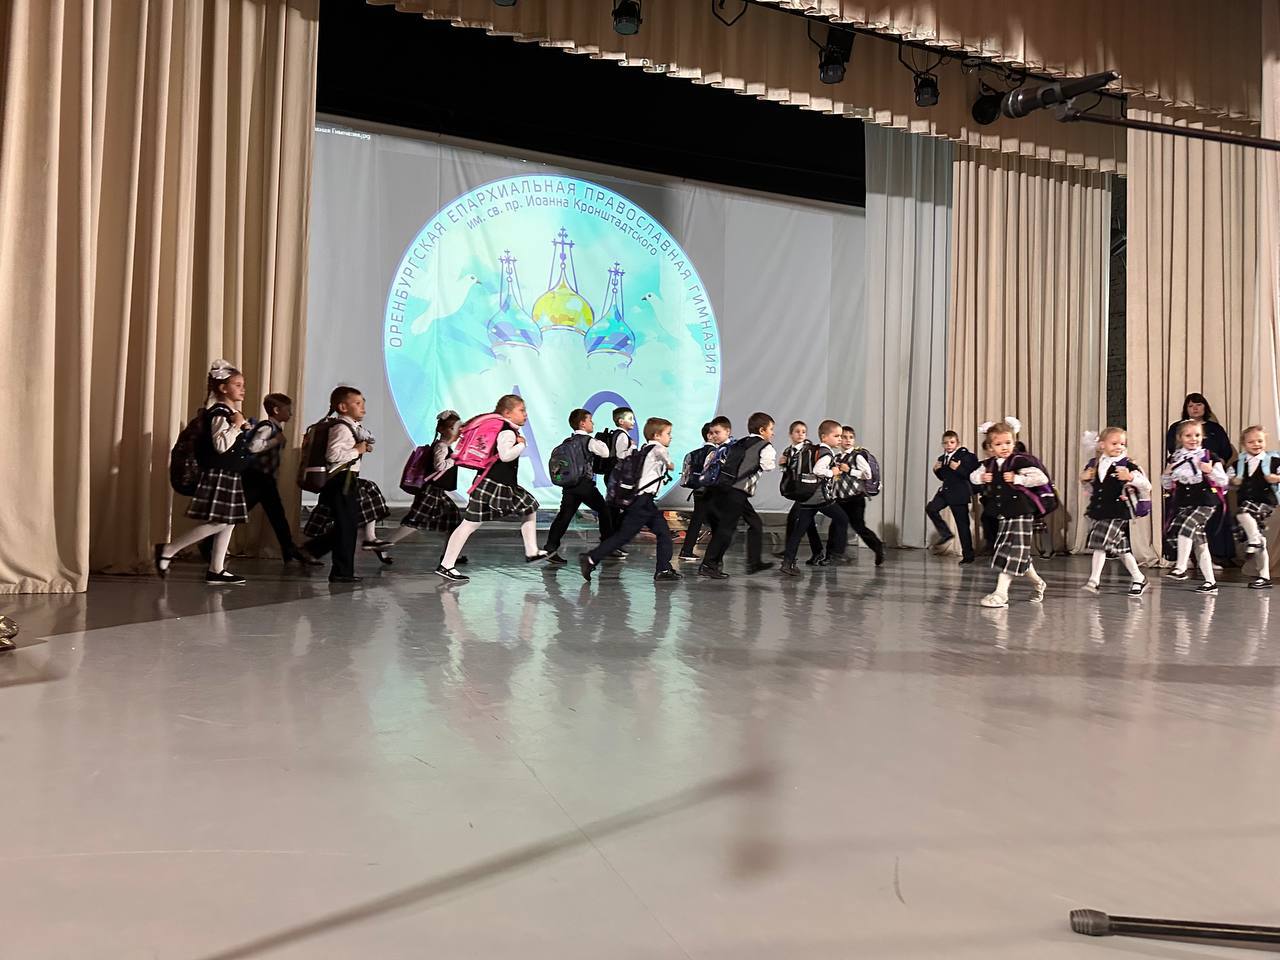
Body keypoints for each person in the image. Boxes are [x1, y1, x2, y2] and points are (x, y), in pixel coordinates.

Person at [155, 359, 254, 585]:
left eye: (243, 385)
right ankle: (168, 549)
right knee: (220, 522)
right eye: (238, 385)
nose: (243, 389)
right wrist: (236, 425)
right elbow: (220, 445)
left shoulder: (231, 412)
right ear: (223, 388)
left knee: (228, 521)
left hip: (229, 474)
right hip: (219, 474)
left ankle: (216, 569)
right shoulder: (220, 413)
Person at [436, 394, 547, 583]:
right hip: (492, 485)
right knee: (469, 524)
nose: (525, 414)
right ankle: (446, 565)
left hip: (501, 485)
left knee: (529, 507)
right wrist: (521, 445)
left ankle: (532, 551)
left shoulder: (506, 429)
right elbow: (505, 456)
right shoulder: (507, 432)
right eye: (521, 410)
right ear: (507, 413)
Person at [579, 417, 680, 583]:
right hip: (643, 502)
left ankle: (664, 568)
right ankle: (591, 558)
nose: (670, 437)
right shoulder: (657, 448)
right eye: (668, 433)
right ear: (656, 435)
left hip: (643, 501)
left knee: (662, 532)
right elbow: (669, 463)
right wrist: (669, 464)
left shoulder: (644, 449)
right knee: (624, 536)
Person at [970, 418, 1049, 607]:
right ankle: (1038, 583)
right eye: (999, 444)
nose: (1004, 447)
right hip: (1004, 514)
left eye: (1008, 442)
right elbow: (972, 477)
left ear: (1014, 443)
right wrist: (982, 477)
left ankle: (1001, 594)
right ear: (990, 447)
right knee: (1013, 551)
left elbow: (1041, 478)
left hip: (1022, 512)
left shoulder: (1019, 461)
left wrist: (1018, 478)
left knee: (1013, 550)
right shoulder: (988, 464)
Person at [300, 386, 371, 583]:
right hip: (342, 481)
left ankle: (312, 550)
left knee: (346, 525)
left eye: (363, 403)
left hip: (345, 480)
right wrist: (357, 451)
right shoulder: (341, 427)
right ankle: (341, 571)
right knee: (346, 527)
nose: (362, 407)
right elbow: (332, 455)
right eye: (357, 403)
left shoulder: (349, 426)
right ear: (343, 407)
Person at [241, 392, 318, 566]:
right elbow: (253, 447)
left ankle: (288, 548)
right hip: (258, 478)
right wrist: (275, 441)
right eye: (288, 410)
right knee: (255, 512)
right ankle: (288, 549)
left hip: (264, 478)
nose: (290, 413)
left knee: (276, 515)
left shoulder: (274, 428)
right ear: (276, 410)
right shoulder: (268, 427)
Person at [698, 411, 777, 579]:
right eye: (771, 429)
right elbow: (768, 466)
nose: (772, 433)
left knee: (754, 523)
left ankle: (754, 562)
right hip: (738, 492)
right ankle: (709, 564)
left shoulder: (741, 442)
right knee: (726, 530)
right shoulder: (765, 446)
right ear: (762, 430)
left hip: (726, 489)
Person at [384, 409, 467, 563]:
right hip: (431, 491)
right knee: (415, 521)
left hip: (437, 492)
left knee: (453, 519)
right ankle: (383, 545)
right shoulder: (441, 447)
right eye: (451, 428)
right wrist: (453, 460)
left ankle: (449, 555)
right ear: (441, 429)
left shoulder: (443, 446)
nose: (455, 432)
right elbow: (439, 466)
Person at [1079, 427, 1151, 597]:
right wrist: (1084, 480)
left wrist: (1131, 478)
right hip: (1100, 510)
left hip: (1118, 511)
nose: (1119, 447)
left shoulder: (1128, 465)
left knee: (1100, 542)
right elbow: (1093, 490)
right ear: (1102, 445)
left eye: (1122, 444)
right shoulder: (1094, 464)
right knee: (1121, 549)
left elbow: (1147, 486)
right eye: (1114, 443)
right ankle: (1139, 578)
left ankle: (1094, 581)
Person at [1161, 419, 1230, 594]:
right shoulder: (1175, 458)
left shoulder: (1209, 456)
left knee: (1187, 527)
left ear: (1202, 436)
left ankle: (1181, 567)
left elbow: (1224, 481)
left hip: (1206, 502)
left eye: (1197, 435)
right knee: (1200, 542)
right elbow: (1167, 485)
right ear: (1180, 438)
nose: (1193, 439)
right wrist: (1166, 474)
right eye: (1188, 435)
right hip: (1184, 504)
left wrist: (1210, 470)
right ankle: (1210, 582)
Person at [1165, 392, 1234, 564]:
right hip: (1185, 485)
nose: (1195, 408)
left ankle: (1214, 558)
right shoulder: (1176, 428)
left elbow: (1225, 451)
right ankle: (1185, 560)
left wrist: (1214, 467)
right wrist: (1171, 472)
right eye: (1191, 405)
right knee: (1182, 523)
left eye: (1198, 404)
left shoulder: (1215, 429)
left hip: (1208, 486)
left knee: (1207, 522)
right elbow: (1172, 453)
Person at [779, 420, 850, 577]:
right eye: (836, 436)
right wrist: (833, 472)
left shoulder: (813, 450)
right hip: (819, 497)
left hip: (807, 497)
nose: (840, 439)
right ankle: (836, 554)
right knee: (842, 519)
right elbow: (819, 470)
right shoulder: (826, 453)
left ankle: (787, 562)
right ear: (824, 437)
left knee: (799, 531)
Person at [544, 408, 614, 564]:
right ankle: (608, 545)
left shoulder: (567, 442)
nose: (592, 423)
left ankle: (550, 548)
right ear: (582, 423)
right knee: (604, 510)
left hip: (569, 485)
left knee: (564, 515)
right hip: (584, 484)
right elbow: (605, 453)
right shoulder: (589, 441)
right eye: (590, 420)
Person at [1230, 425, 1279, 590]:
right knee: (1260, 540)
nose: (1256, 444)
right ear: (1244, 444)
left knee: (1242, 514)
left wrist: (1276, 478)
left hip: (1265, 502)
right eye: (1251, 442)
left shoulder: (1274, 460)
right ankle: (1264, 576)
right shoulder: (1239, 464)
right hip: (1246, 502)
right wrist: (1233, 481)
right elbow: (1227, 481)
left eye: (1259, 441)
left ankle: (1254, 541)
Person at [832, 426, 885, 566]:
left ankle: (877, 547)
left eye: (851, 437)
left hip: (855, 498)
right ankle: (834, 554)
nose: (848, 440)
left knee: (859, 527)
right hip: (840, 498)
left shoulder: (857, 456)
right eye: (844, 437)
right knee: (836, 525)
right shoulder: (837, 457)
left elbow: (867, 474)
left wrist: (850, 470)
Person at [925, 430, 979, 565]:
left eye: (952, 442)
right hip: (945, 492)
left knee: (962, 525)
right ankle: (946, 533)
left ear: (957, 443)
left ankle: (968, 555)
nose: (948, 445)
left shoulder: (965, 455)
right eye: (945, 443)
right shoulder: (942, 458)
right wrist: (936, 471)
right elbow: (944, 477)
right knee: (931, 508)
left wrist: (958, 468)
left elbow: (972, 474)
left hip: (959, 494)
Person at [776, 421, 826, 563]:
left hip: (809, 489)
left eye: (803, 432)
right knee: (806, 521)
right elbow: (787, 471)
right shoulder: (788, 451)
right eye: (797, 431)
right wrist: (782, 464)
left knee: (795, 518)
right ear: (790, 434)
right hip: (798, 489)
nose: (800, 434)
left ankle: (790, 551)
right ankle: (817, 551)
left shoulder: (809, 450)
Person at [675, 422, 717, 563]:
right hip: (710, 490)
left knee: (697, 519)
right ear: (709, 435)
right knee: (720, 522)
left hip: (697, 489)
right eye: (715, 432)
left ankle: (687, 550)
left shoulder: (695, 453)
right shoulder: (715, 453)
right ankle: (712, 556)